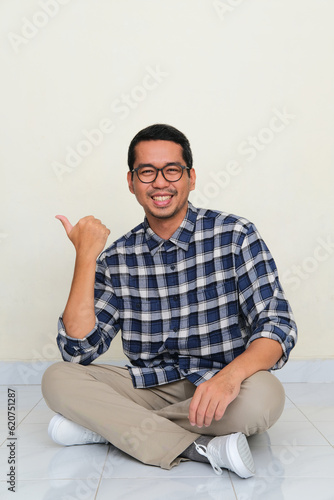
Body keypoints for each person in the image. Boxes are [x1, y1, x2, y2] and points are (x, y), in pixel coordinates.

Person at [42, 124, 297, 479]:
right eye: (146, 171)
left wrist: (229, 378)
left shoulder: (235, 235)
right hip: (149, 386)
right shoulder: (116, 258)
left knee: (265, 397)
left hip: (223, 384)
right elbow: (78, 350)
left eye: (171, 170)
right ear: (131, 182)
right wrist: (85, 257)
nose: (160, 182)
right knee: (58, 378)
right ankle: (195, 446)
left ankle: (110, 429)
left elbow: (277, 325)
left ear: (191, 177)